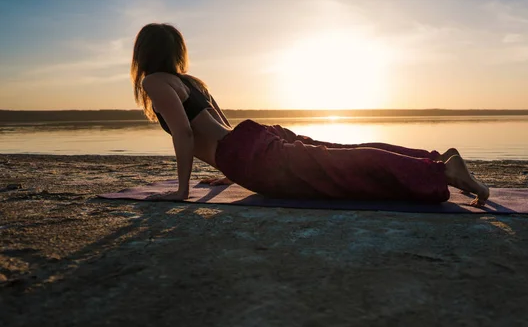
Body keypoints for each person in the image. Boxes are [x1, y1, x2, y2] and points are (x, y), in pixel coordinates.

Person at [131, 23, 490, 206]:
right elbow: (221, 128)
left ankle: (443, 171)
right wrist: (228, 174)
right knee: (343, 156)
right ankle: (434, 161)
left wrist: (181, 191)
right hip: (251, 141)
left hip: (247, 154)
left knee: (344, 165)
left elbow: (186, 135)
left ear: (143, 53)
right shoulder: (189, 81)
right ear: (176, 50)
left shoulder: (155, 83)